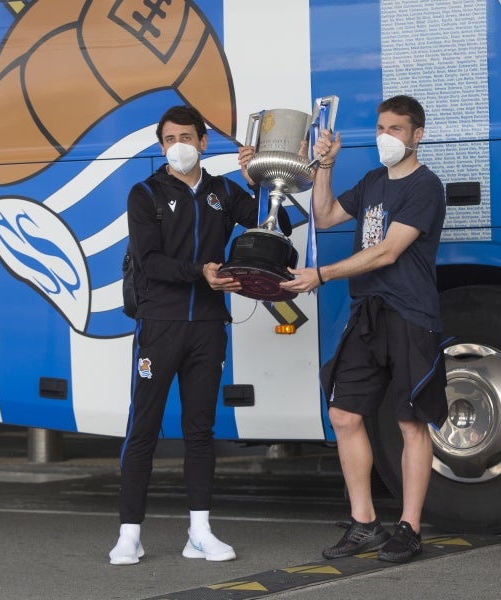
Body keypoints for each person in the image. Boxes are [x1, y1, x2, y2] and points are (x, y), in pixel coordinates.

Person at [109, 105, 287, 565]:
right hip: (159, 326)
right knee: (143, 428)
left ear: (203, 142)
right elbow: (148, 261)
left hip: (208, 328)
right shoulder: (144, 193)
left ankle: (200, 533)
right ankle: (130, 534)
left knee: (200, 431)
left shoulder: (224, 191)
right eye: (170, 139)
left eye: (186, 137)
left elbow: (279, 227)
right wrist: (200, 273)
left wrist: (256, 181)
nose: (178, 146)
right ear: (161, 145)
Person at [280, 95, 448, 564]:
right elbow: (325, 215)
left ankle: (409, 528)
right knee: (343, 416)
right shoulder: (374, 181)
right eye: (380, 128)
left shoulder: (426, 186)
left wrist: (322, 274)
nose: (385, 137)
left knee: (410, 422)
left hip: (410, 314)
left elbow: (388, 251)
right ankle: (365, 523)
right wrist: (324, 165)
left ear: (417, 135)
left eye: (396, 129)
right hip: (368, 314)